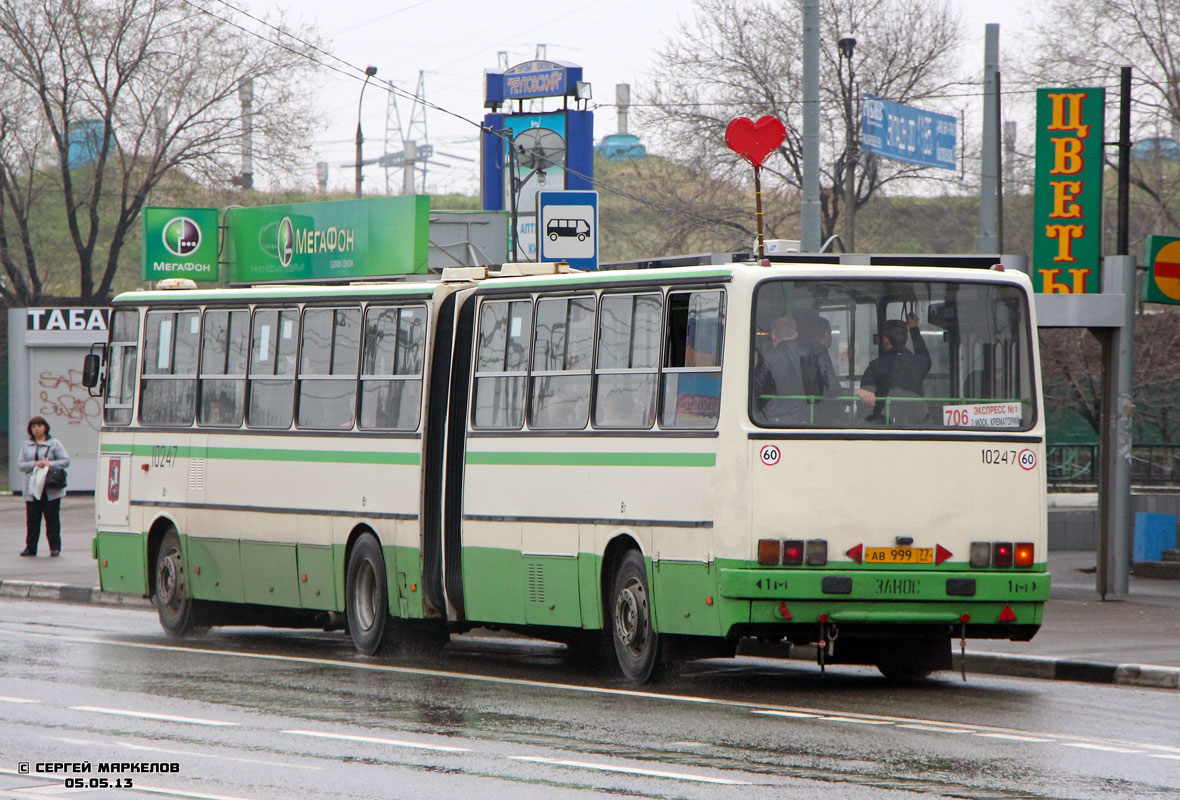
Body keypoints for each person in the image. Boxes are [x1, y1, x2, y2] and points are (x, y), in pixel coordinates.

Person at [855, 313, 931, 423]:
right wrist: (914, 328)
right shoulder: (919, 363)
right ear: (907, 338)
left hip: (883, 425)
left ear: (885, 340)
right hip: (916, 423)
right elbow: (924, 355)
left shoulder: (875, 366)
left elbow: (866, 399)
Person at [18, 416, 70, 557]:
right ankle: (31, 547)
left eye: (39, 426)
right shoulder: (26, 445)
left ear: (45, 427)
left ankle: (54, 547)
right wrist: (34, 464)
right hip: (33, 488)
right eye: (33, 427)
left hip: (51, 487)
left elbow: (65, 461)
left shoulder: (54, 444)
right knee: (32, 519)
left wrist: (49, 464)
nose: (36, 429)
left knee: (52, 519)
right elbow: (20, 465)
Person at [753, 316, 810, 424]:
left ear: (773, 336)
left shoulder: (767, 357)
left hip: (773, 419)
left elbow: (757, 391)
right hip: (806, 417)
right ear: (796, 335)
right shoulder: (810, 355)